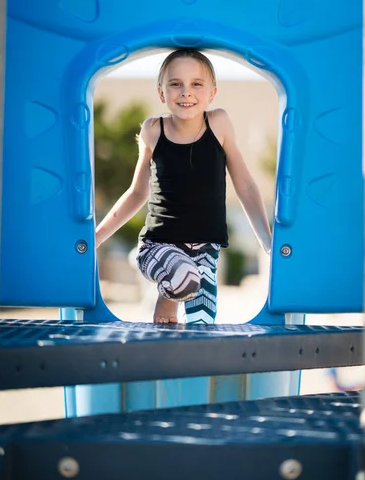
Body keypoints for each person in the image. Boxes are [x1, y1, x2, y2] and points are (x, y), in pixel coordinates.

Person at [96, 49, 272, 324]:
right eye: (175, 83)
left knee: (202, 323)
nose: (185, 92)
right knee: (185, 279)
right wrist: (97, 236)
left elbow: (246, 185)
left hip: (205, 251)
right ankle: (166, 296)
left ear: (212, 93)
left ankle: (186, 361)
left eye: (196, 84)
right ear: (161, 93)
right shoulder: (153, 130)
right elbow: (137, 192)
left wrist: (266, 239)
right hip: (158, 246)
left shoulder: (219, 124)